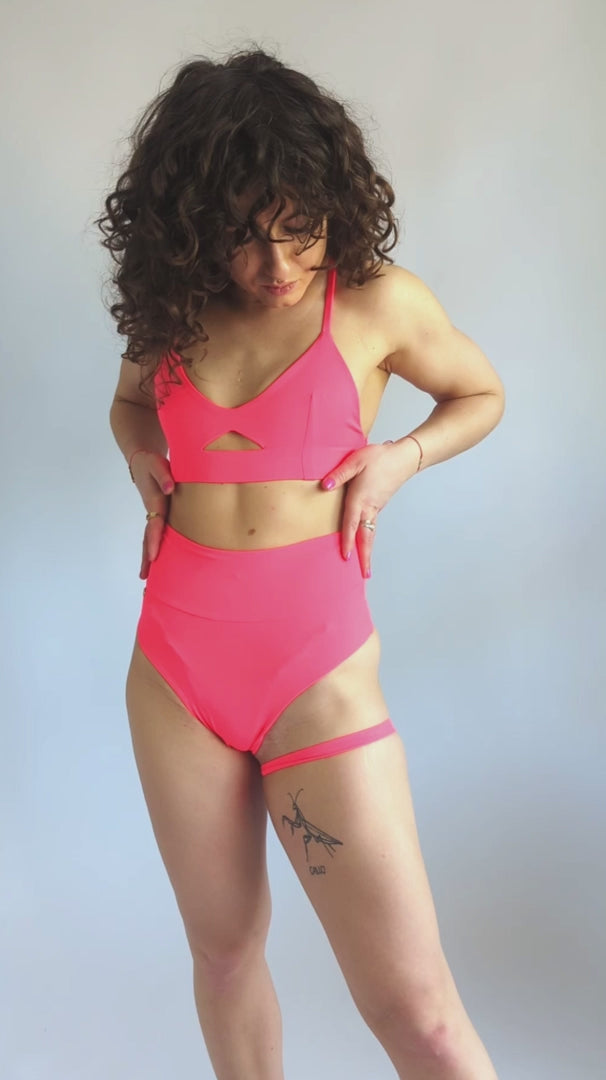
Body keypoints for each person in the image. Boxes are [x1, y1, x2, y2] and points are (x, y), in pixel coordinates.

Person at [99, 44, 505, 1080]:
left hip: (313, 668)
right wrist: (143, 459)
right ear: (194, 226)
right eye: (244, 236)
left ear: (333, 207)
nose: (277, 266)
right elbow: (131, 404)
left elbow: (480, 393)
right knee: (224, 955)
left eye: (300, 230)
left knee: (415, 1009)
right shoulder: (176, 313)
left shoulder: (375, 302)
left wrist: (400, 457)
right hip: (174, 666)